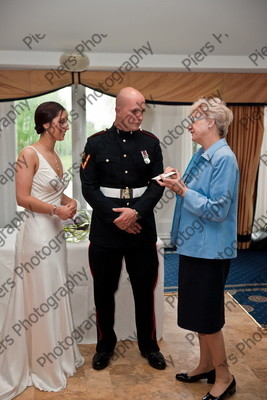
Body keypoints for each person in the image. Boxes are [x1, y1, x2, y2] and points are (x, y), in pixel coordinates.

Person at [0, 101, 84, 399]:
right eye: (62, 121)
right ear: (46, 123)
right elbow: (22, 198)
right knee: (39, 296)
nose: (65, 126)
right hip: (36, 234)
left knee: (53, 291)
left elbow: (55, 192)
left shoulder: (54, 154)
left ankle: (56, 356)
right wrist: (56, 209)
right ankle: (38, 364)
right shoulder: (28, 153)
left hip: (55, 233)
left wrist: (70, 202)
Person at [157, 97, 238, 399]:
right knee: (197, 315)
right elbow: (192, 192)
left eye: (195, 119)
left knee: (208, 317)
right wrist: (177, 181)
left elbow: (218, 209)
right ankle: (205, 365)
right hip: (194, 246)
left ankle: (225, 376)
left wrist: (182, 189)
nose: (189, 124)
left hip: (211, 250)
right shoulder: (201, 154)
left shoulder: (224, 158)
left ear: (212, 123)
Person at [80, 87, 166, 370]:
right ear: (118, 110)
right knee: (104, 292)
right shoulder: (96, 143)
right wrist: (116, 217)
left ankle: (149, 345)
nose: (139, 116)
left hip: (141, 229)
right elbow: (89, 187)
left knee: (144, 291)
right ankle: (105, 346)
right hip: (106, 232)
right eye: (134, 111)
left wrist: (136, 213)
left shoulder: (151, 143)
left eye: (143, 110)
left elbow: (157, 184)